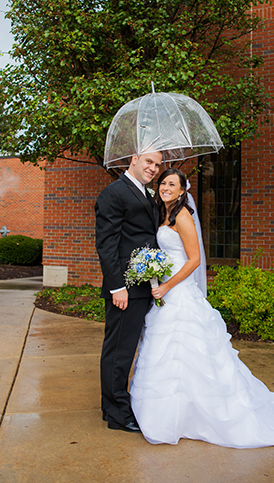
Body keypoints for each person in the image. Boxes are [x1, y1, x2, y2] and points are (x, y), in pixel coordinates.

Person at [129, 168, 274, 448]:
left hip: (178, 293)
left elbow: (195, 260)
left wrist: (166, 285)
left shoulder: (183, 216)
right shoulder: (162, 214)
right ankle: (176, 415)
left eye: (172, 184)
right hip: (164, 293)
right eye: (163, 183)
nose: (165, 187)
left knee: (188, 354)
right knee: (165, 355)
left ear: (183, 190)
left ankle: (196, 416)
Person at [95, 150, 163, 433]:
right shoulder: (113, 193)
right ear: (134, 159)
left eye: (158, 165)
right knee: (119, 351)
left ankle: (110, 405)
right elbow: (106, 244)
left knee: (126, 348)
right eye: (149, 162)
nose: (154, 168)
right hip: (125, 287)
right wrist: (117, 287)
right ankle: (118, 414)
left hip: (143, 285)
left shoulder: (145, 193)